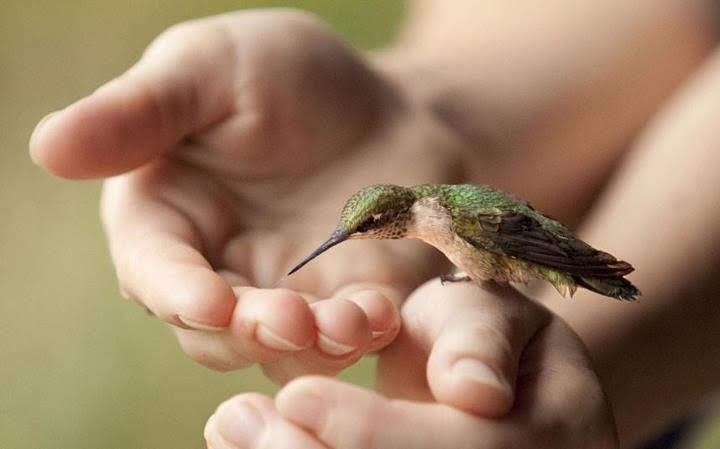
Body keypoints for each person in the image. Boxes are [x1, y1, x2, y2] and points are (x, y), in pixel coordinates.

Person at [29, 2, 720, 448]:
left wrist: (584, 358)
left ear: (394, 218)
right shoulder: (427, 216)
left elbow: (520, 239)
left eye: (361, 230)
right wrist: (425, 106)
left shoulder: (455, 215)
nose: (352, 240)